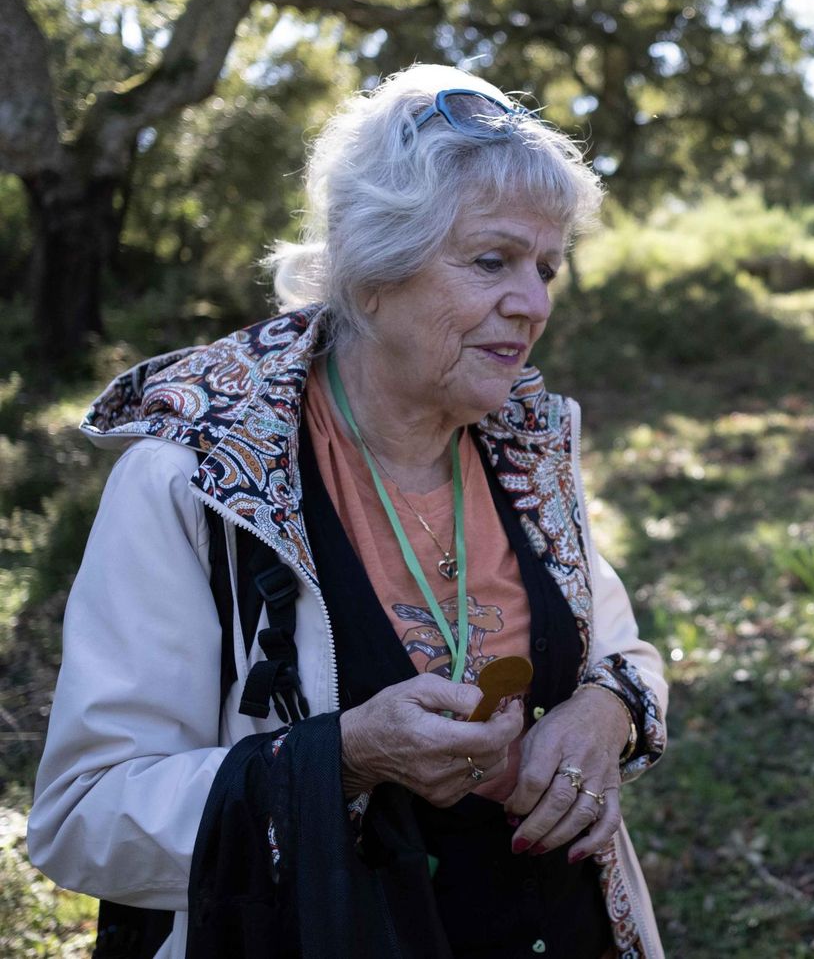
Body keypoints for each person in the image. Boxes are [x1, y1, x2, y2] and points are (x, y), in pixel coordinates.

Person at [29, 65, 667, 959]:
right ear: (373, 269)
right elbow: (86, 816)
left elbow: (619, 648)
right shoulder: (195, 479)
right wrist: (345, 759)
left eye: (546, 266)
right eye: (492, 261)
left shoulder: (524, 445)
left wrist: (608, 710)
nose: (534, 302)